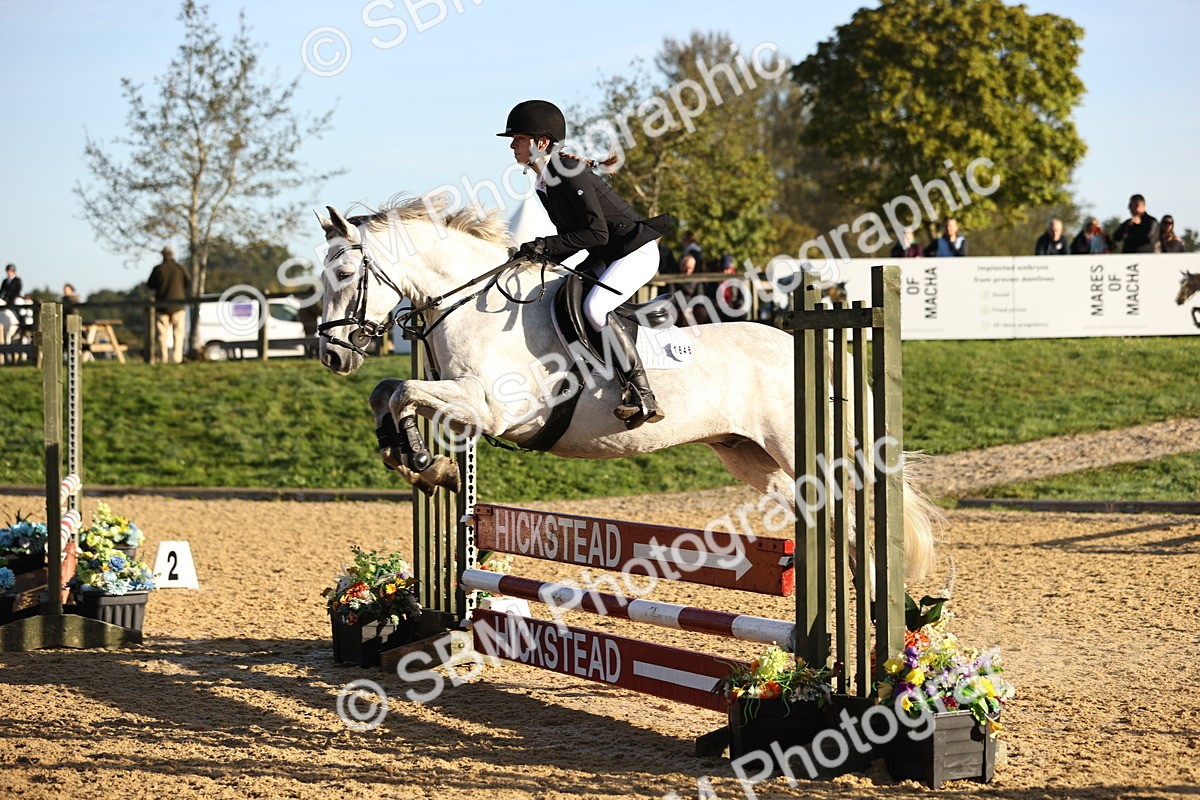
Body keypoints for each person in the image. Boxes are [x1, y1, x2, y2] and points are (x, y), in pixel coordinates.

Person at [500, 100, 672, 427]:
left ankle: (642, 393)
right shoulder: (543, 181)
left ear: (542, 143)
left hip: (636, 251)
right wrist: (534, 257)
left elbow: (594, 231)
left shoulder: (570, 173)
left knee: (594, 309)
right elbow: (573, 237)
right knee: (560, 296)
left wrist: (545, 245)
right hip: (608, 254)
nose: (512, 145)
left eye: (519, 139)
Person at [147, 245, 190, 363]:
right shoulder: (181, 268)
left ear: (162, 255)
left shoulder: (158, 269)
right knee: (178, 334)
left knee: (162, 335)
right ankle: (177, 358)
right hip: (178, 306)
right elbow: (188, 283)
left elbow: (150, 285)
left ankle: (163, 358)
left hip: (162, 306)